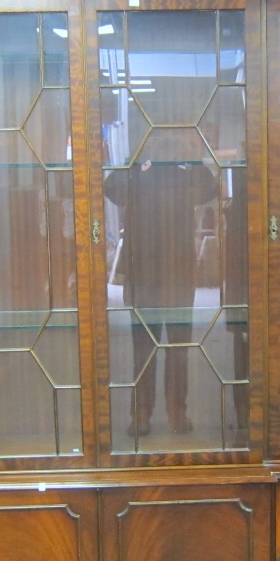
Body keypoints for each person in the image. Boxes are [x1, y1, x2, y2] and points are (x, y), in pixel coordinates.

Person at [104, 158, 216, 436]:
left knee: (179, 347)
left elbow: (209, 190)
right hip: (143, 268)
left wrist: (191, 158)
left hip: (178, 268)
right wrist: (136, 162)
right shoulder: (138, 163)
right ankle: (141, 413)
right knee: (143, 348)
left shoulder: (186, 167)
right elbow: (112, 190)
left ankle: (177, 411)